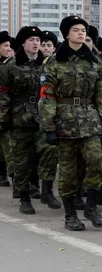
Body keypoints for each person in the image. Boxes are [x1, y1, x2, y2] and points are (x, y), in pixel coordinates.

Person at [39, 15, 102, 231]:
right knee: (68, 171)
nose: (81, 33)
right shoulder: (54, 62)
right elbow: (47, 95)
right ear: (66, 33)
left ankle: (91, 206)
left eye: (83, 30)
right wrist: (49, 126)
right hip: (64, 121)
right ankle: (70, 215)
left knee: (96, 161)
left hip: (90, 119)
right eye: (76, 29)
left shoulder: (95, 62)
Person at [0, 26, 61, 214]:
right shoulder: (10, 65)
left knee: (49, 150)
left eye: (38, 40)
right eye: (32, 40)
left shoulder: (48, 64)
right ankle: (24, 197)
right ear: (23, 43)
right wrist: (4, 119)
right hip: (20, 117)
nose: (36, 44)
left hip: (43, 115)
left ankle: (46, 189)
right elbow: (3, 93)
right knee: (22, 160)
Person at [0, 31, 13, 187]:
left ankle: (8, 174)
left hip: (5, 109)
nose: (8, 48)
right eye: (5, 45)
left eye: (9, 45)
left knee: (7, 145)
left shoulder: (9, 64)